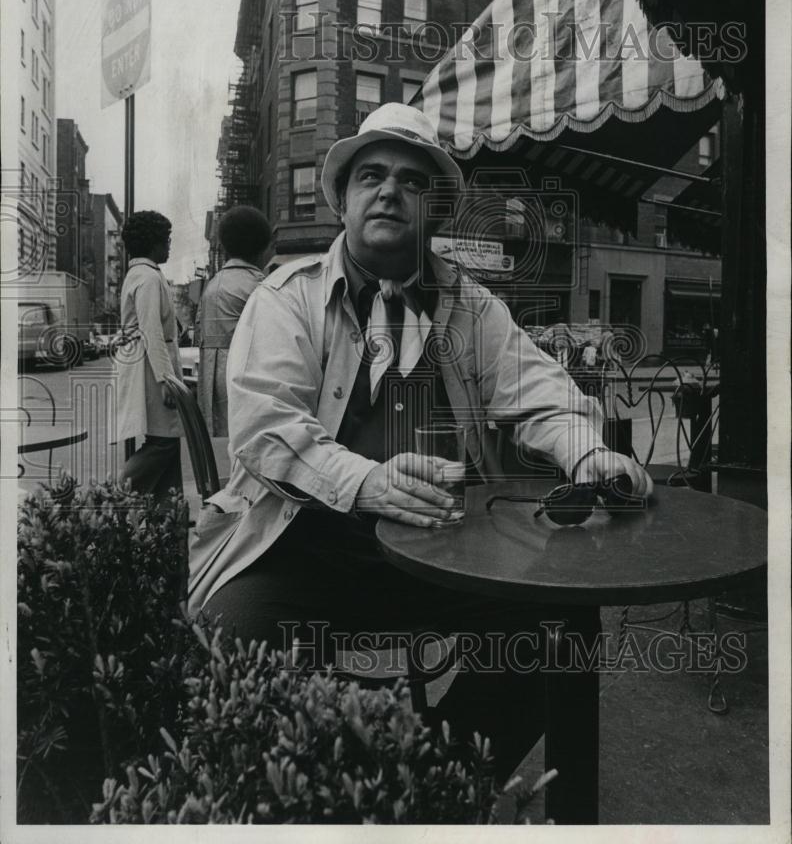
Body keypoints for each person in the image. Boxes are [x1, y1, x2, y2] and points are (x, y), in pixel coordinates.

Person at [189, 103, 652, 783]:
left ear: (434, 209)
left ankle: (433, 781)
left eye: (412, 181)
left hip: (441, 553)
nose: (389, 191)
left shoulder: (472, 306)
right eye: (371, 175)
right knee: (231, 631)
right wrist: (369, 483)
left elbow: (543, 394)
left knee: (564, 632)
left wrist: (587, 451)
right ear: (342, 200)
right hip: (301, 545)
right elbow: (265, 429)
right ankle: (310, 797)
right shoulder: (285, 298)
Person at [115, 211, 183, 508]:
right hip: (150, 367)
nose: (169, 246)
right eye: (166, 240)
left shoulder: (141, 274)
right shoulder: (147, 277)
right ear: (153, 243)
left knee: (170, 440)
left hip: (147, 363)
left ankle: (169, 521)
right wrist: (165, 379)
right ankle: (112, 496)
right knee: (164, 441)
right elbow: (151, 330)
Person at [196, 206, 271, 436]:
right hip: (247, 379)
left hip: (211, 382)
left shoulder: (211, 286)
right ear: (262, 247)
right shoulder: (260, 287)